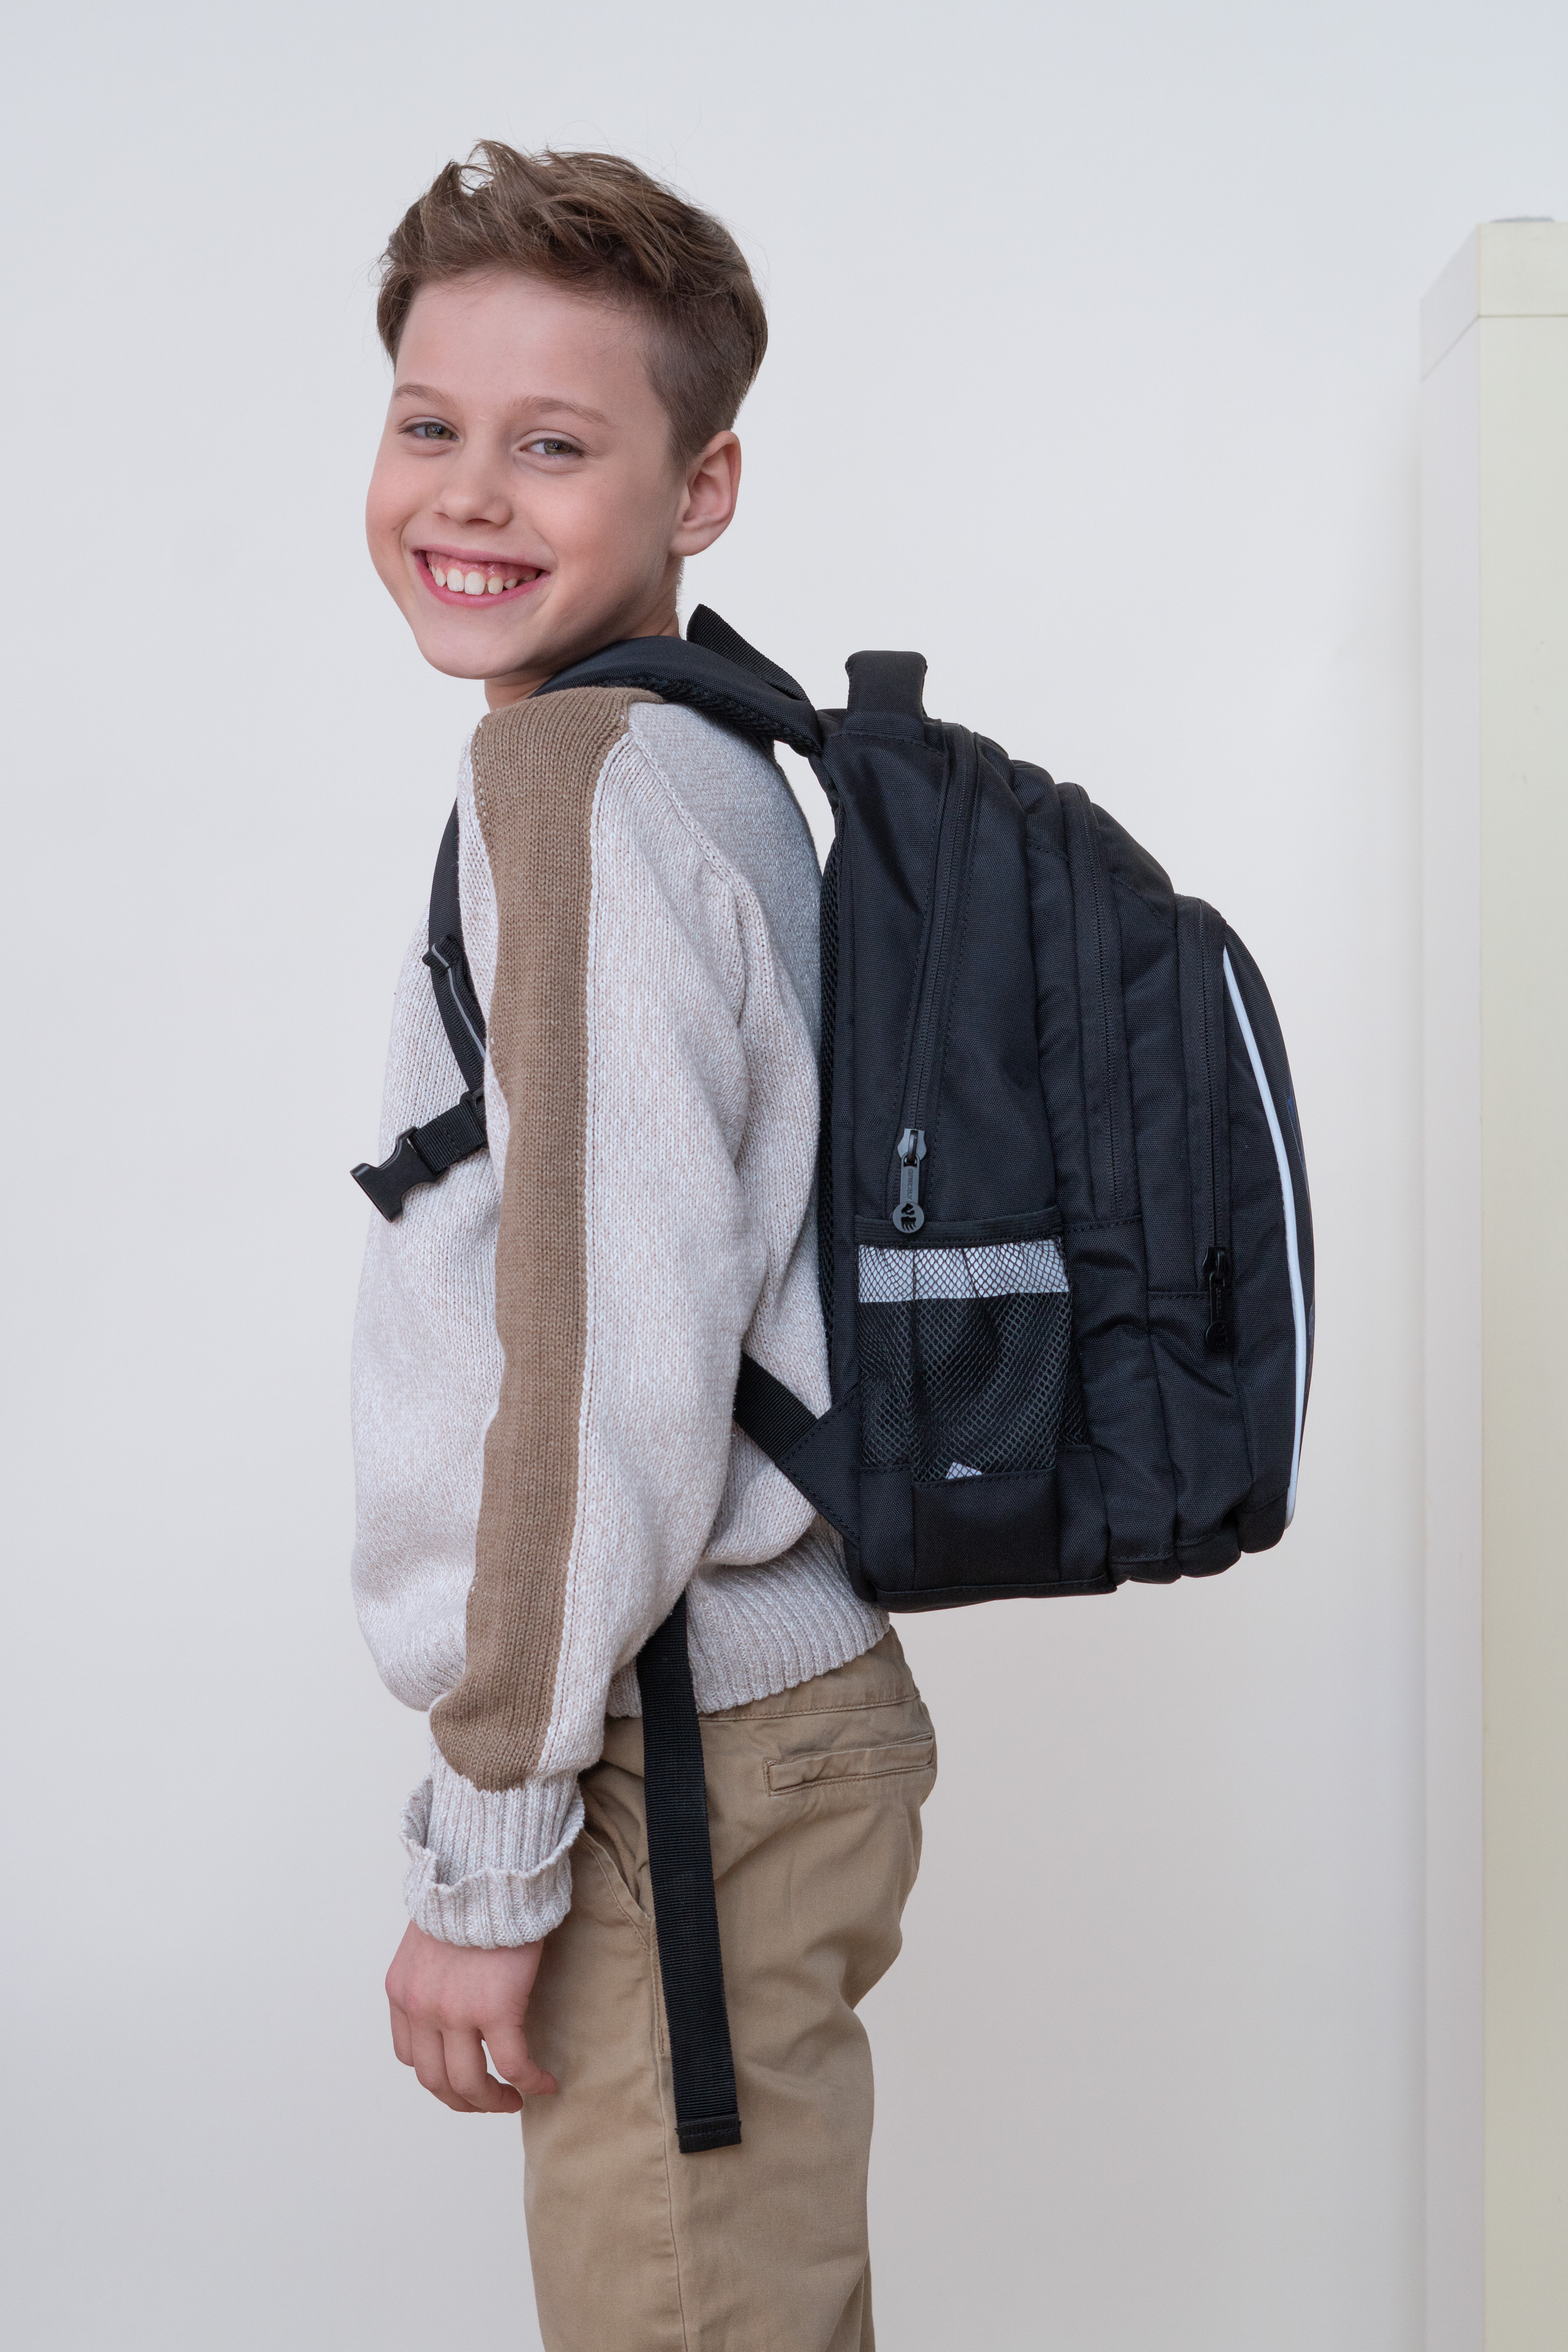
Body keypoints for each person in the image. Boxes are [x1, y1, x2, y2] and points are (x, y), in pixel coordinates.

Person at [352, 142, 937, 2352]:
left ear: (700, 491)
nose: (467, 493)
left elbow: (603, 1352)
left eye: (554, 444)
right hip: (742, 1739)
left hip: (675, 1762)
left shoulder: (586, 785)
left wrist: (491, 1847)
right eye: (431, 423)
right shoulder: (703, 758)